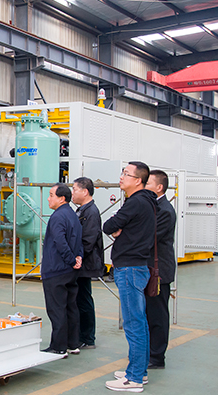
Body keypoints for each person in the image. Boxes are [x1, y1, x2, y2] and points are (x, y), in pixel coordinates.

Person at [103, 161, 157, 392]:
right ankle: (139, 371)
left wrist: (118, 228)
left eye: (126, 174)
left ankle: (133, 379)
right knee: (139, 322)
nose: (122, 177)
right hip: (136, 266)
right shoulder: (146, 202)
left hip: (130, 268)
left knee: (134, 324)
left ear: (138, 180)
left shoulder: (135, 202)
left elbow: (109, 226)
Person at [41, 183, 83, 356]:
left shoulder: (58, 217)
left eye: (51, 195)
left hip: (56, 269)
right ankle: (73, 343)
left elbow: (60, 241)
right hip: (70, 271)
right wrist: (78, 257)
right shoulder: (72, 214)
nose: (48, 199)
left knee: (57, 309)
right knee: (70, 307)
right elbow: (78, 239)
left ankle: (58, 347)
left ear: (62, 198)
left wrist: (71, 259)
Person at [144, 170, 177, 369]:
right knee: (148, 313)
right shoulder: (154, 207)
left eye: (148, 183)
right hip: (149, 269)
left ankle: (157, 357)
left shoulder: (165, 210)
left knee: (157, 315)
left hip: (159, 271)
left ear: (159, 187)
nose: (144, 186)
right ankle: (148, 352)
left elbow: (149, 237)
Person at [72, 177, 104, 349]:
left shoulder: (91, 212)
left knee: (83, 299)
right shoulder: (82, 210)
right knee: (80, 298)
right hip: (82, 261)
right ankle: (81, 335)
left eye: (75, 189)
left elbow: (88, 240)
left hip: (85, 262)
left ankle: (87, 337)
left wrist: (77, 257)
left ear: (85, 192)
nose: (72, 193)